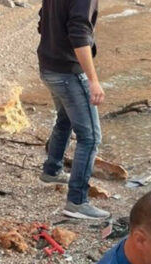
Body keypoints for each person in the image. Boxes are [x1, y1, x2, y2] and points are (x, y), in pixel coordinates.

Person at [37, 0, 109, 220]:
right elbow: (79, 35)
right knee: (91, 137)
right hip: (67, 73)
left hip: (48, 67)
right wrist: (93, 80)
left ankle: (52, 170)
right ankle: (77, 202)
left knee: (65, 119)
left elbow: (42, 22)